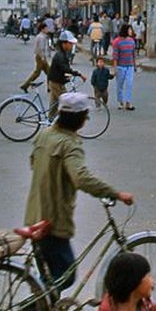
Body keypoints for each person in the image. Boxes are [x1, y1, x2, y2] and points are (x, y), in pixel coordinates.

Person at [25, 91, 133, 291]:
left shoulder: (44, 135)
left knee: (47, 277)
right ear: (80, 120)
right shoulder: (69, 144)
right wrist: (114, 193)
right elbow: (81, 178)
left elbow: (33, 162)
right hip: (52, 221)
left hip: (34, 214)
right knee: (65, 276)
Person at [47, 30, 83, 114]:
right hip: (56, 83)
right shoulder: (60, 56)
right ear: (64, 43)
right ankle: (65, 124)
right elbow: (65, 68)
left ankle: (50, 121)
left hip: (57, 81)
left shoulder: (63, 54)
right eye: (70, 43)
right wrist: (78, 74)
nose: (71, 46)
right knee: (67, 103)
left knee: (54, 105)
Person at [111, 23, 138, 111]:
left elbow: (133, 54)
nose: (131, 31)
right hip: (120, 66)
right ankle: (120, 101)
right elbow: (115, 56)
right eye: (129, 30)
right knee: (120, 85)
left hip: (129, 66)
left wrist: (135, 65)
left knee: (129, 84)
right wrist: (115, 68)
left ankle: (128, 102)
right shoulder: (117, 42)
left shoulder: (131, 41)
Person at [19, 23, 51, 92]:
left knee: (49, 73)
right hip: (41, 57)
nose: (47, 30)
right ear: (42, 29)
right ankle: (25, 85)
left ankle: (49, 87)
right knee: (37, 73)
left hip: (40, 56)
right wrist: (43, 58)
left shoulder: (40, 36)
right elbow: (41, 48)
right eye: (46, 28)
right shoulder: (42, 37)